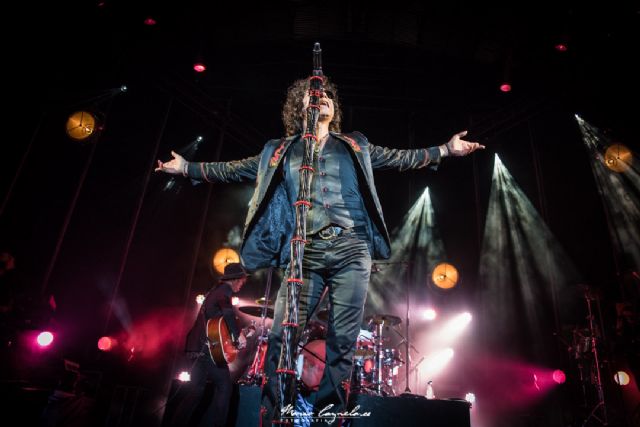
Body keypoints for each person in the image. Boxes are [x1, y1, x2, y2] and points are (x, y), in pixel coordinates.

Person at [156, 76, 484, 425]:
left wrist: (445, 150)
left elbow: (400, 157)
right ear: (300, 107)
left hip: (351, 248)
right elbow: (234, 168)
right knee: (282, 336)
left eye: (327, 94)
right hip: (304, 252)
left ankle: (329, 419)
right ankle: (275, 416)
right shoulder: (278, 151)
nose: (322, 97)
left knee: (342, 343)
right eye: (314, 94)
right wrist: (187, 168)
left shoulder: (355, 144)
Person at [168, 262, 249, 427]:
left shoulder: (215, 291)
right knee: (224, 387)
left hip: (196, 348)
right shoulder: (224, 291)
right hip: (207, 350)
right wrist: (238, 334)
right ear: (235, 279)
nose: (242, 284)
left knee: (195, 392)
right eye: (242, 281)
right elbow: (227, 313)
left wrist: (236, 334)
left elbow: (216, 323)